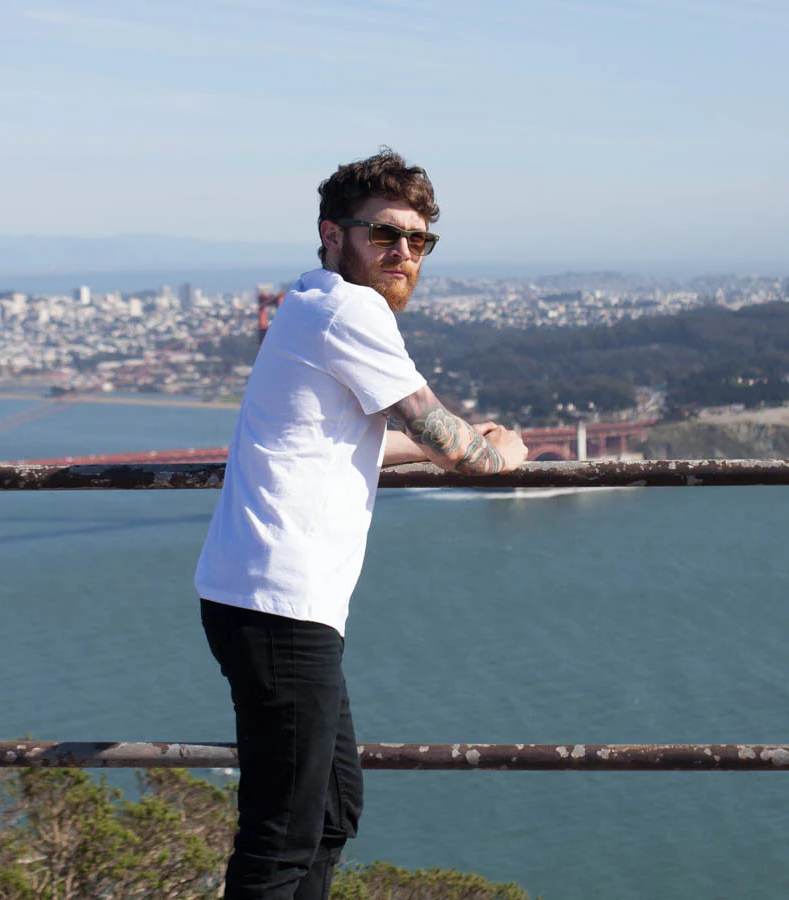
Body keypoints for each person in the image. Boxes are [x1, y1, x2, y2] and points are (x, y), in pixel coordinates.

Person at [195, 148, 528, 899]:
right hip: (279, 606)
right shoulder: (350, 308)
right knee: (281, 839)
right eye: (384, 234)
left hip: (270, 602)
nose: (403, 252)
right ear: (332, 233)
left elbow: (350, 439)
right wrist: (497, 452)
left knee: (331, 810)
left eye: (419, 240)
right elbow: (450, 441)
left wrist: (445, 444)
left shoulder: (308, 302)